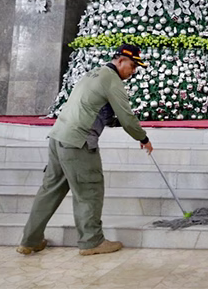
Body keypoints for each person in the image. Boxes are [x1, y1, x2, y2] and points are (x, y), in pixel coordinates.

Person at [16, 44, 154, 256]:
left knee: (49, 190)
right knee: (90, 190)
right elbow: (127, 117)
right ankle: (92, 242)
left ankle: (29, 241)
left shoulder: (94, 73)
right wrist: (143, 138)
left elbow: (93, 108)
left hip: (58, 137)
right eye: (132, 66)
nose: (133, 71)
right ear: (120, 60)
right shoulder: (112, 79)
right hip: (78, 143)